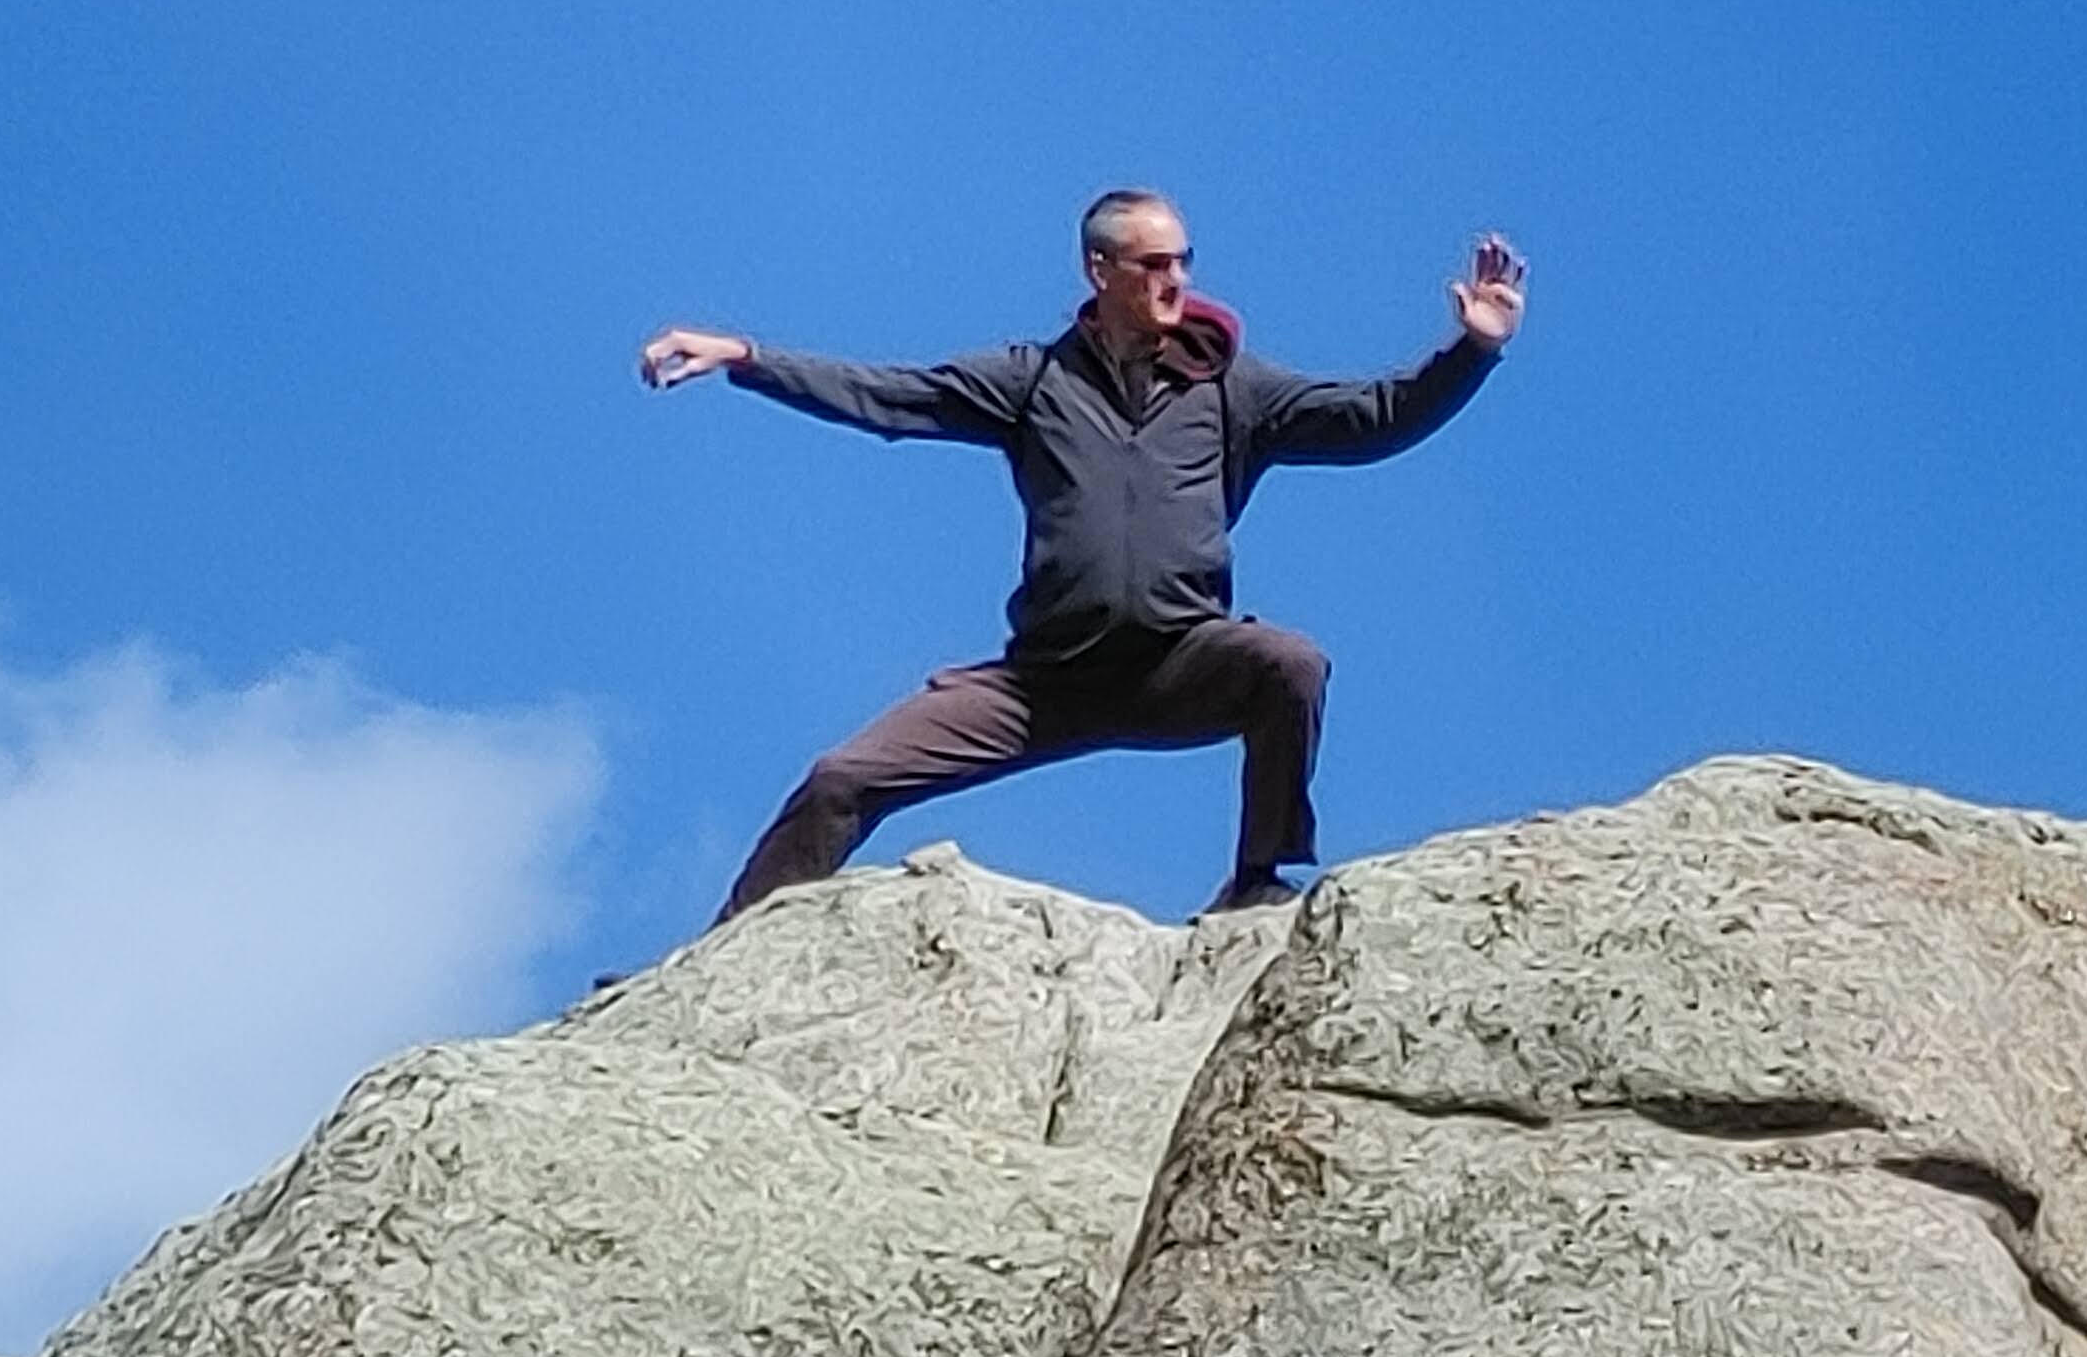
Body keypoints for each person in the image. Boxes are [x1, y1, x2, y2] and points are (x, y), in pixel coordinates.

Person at [645, 193, 1526, 921]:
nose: (1176, 279)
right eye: (1154, 265)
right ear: (1099, 272)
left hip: (1178, 665)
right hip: (1044, 686)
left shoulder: (1234, 391)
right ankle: (716, 956)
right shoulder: (1033, 381)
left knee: (1288, 664)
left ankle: (1256, 877)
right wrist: (745, 358)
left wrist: (1472, 351)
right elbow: (890, 397)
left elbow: (1373, 417)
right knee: (843, 777)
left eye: (1183, 260)